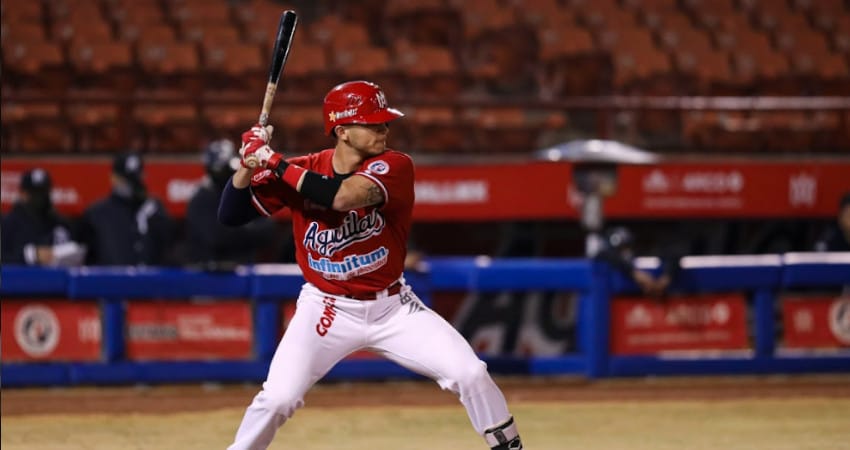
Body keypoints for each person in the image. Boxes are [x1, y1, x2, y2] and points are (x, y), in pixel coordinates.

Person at [219, 80, 523, 450]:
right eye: (373, 123)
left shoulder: (394, 165)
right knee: (278, 399)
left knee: (470, 373)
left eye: (384, 122)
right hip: (326, 308)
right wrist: (248, 166)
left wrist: (271, 160)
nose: (384, 130)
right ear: (342, 131)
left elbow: (343, 197)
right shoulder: (301, 170)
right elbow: (230, 214)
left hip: (392, 307)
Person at [185, 138, 279, 269]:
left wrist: (237, 230)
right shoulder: (202, 199)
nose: (228, 174)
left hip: (244, 271)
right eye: (223, 170)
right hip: (209, 275)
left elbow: (268, 230)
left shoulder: (244, 192)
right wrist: (247, 230)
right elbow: (217, 238)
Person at [76, 152, 174, 265]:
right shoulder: (96, 214)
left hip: (148, 280)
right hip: (109, 281)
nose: (131, 186)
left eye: (135, 180)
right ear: (113, 178)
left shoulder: (155, 209)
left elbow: (167, 251)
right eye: (125, 180)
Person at [1, 168, 86, 266]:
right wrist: (31, 255)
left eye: (43, 192)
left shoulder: (60, 224)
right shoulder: (6, 224)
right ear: (22, 194)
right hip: (19, 280)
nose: (40, 198)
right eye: (34, 193)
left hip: (55, 280)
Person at [595, 226, 680, 298]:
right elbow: (605, 255)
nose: (626, 251)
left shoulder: (641, 257)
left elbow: (676, 255)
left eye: (627, 246)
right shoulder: (608, 257)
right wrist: (636, 274)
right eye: (622, 248)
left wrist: (666, 279)